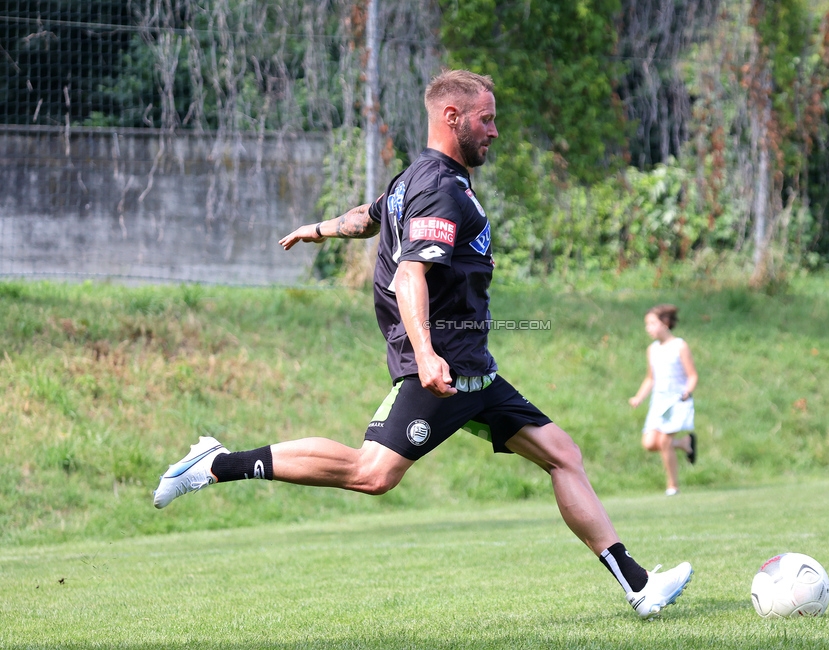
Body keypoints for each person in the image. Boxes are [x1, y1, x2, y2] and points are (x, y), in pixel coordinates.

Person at [153, 69, 692, 619]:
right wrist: (428, 353)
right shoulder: (438, 186)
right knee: (372, 472)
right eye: (487, 119)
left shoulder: (419, 180)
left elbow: (369, 217)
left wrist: (317, 229)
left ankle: (639, 585)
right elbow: (411, 273)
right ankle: (218, 463)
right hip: (445, 363)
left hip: (473, 369)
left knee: (563, 455)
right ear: (451, 117)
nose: (495, 131)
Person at [628, 304, 699, 496]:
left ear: (665, 323)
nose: (648, 328)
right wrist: (639, 397)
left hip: (677, 400)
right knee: (650, 443)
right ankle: (685, 443)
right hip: (659, 401)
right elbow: (651, 378)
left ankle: (672, 486)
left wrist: (686, 391)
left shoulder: (680, 346)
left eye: (652, 323)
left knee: (666, 441)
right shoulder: (652, 349)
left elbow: (692, 375)